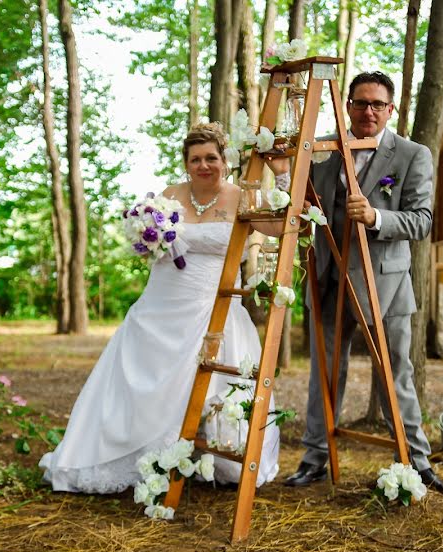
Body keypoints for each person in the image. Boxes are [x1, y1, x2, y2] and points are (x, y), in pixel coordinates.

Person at [39, 123, 280, 493]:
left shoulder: (241, 196)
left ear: (225, 160)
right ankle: (130, 454)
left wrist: (281, 176)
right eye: (195, 159)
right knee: (137, 380)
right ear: (186, 164)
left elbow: (279, 226)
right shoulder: (169, 196)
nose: (204, 165)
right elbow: (147, 240)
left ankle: (202, 454)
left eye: (211, 158)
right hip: (159, 305)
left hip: (210, 308)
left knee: (208, 382)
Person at [278, 71, 443, 495]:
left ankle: (417, 461)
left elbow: (423, 221)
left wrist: (376, 216)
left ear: (390, 109)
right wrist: (284, 171)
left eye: (377, 104)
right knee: (324, 374)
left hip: (385, 287)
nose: (368, 111)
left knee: (396, 374)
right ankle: (314, 458)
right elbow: (303, 204)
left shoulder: (412, 155)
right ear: (347, 107)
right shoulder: (323, 151)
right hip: (327, 280)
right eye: (360, 103)